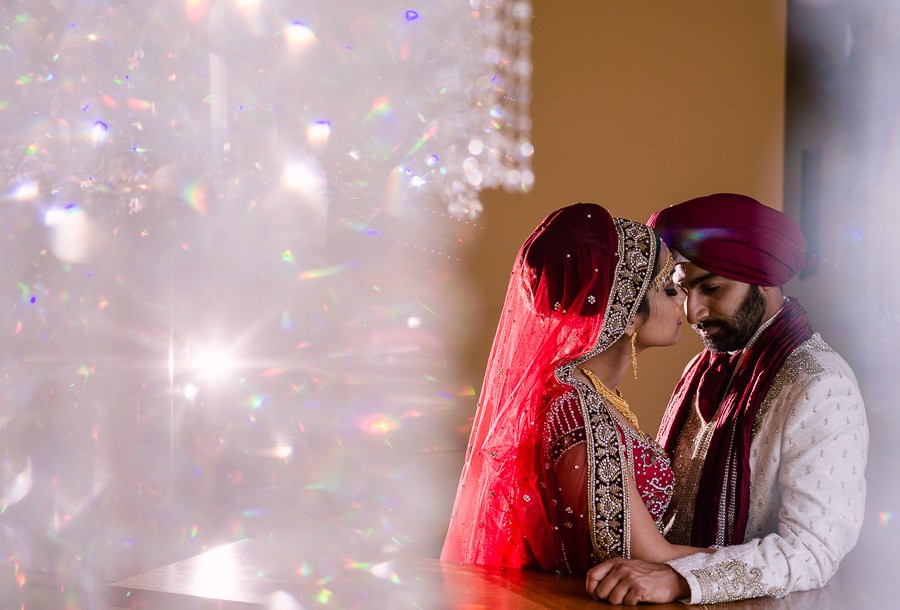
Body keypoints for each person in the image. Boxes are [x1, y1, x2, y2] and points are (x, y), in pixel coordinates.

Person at [586, 193, 868, 605]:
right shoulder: (705, 366)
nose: (694, 312)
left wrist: (678, 579)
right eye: (683, 291)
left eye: (712, 288)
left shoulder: (821, 385)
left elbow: (812, 553)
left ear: (765, 275)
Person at [441, 202, 711, 574]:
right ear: (629, 316)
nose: (683, 298)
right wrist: (768, 562)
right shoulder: (578, 412)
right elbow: (649, 558)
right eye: (667, 289)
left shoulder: (589, 393)